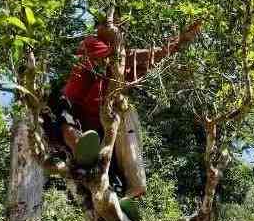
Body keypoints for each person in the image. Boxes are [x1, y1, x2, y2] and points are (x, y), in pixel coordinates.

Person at [44, 18, 202, 200]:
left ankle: (132, 186)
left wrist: (180, 41)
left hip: (100, 123)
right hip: (73, 108)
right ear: (99, 28)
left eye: (119, 27)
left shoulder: (123, 69)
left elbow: (152, 57)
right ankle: (81, 149)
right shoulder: (92, 43)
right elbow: (124, 56)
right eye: (111, 25)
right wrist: (172, 44)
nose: (116, 30)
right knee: (66, 121)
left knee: (125, 108)